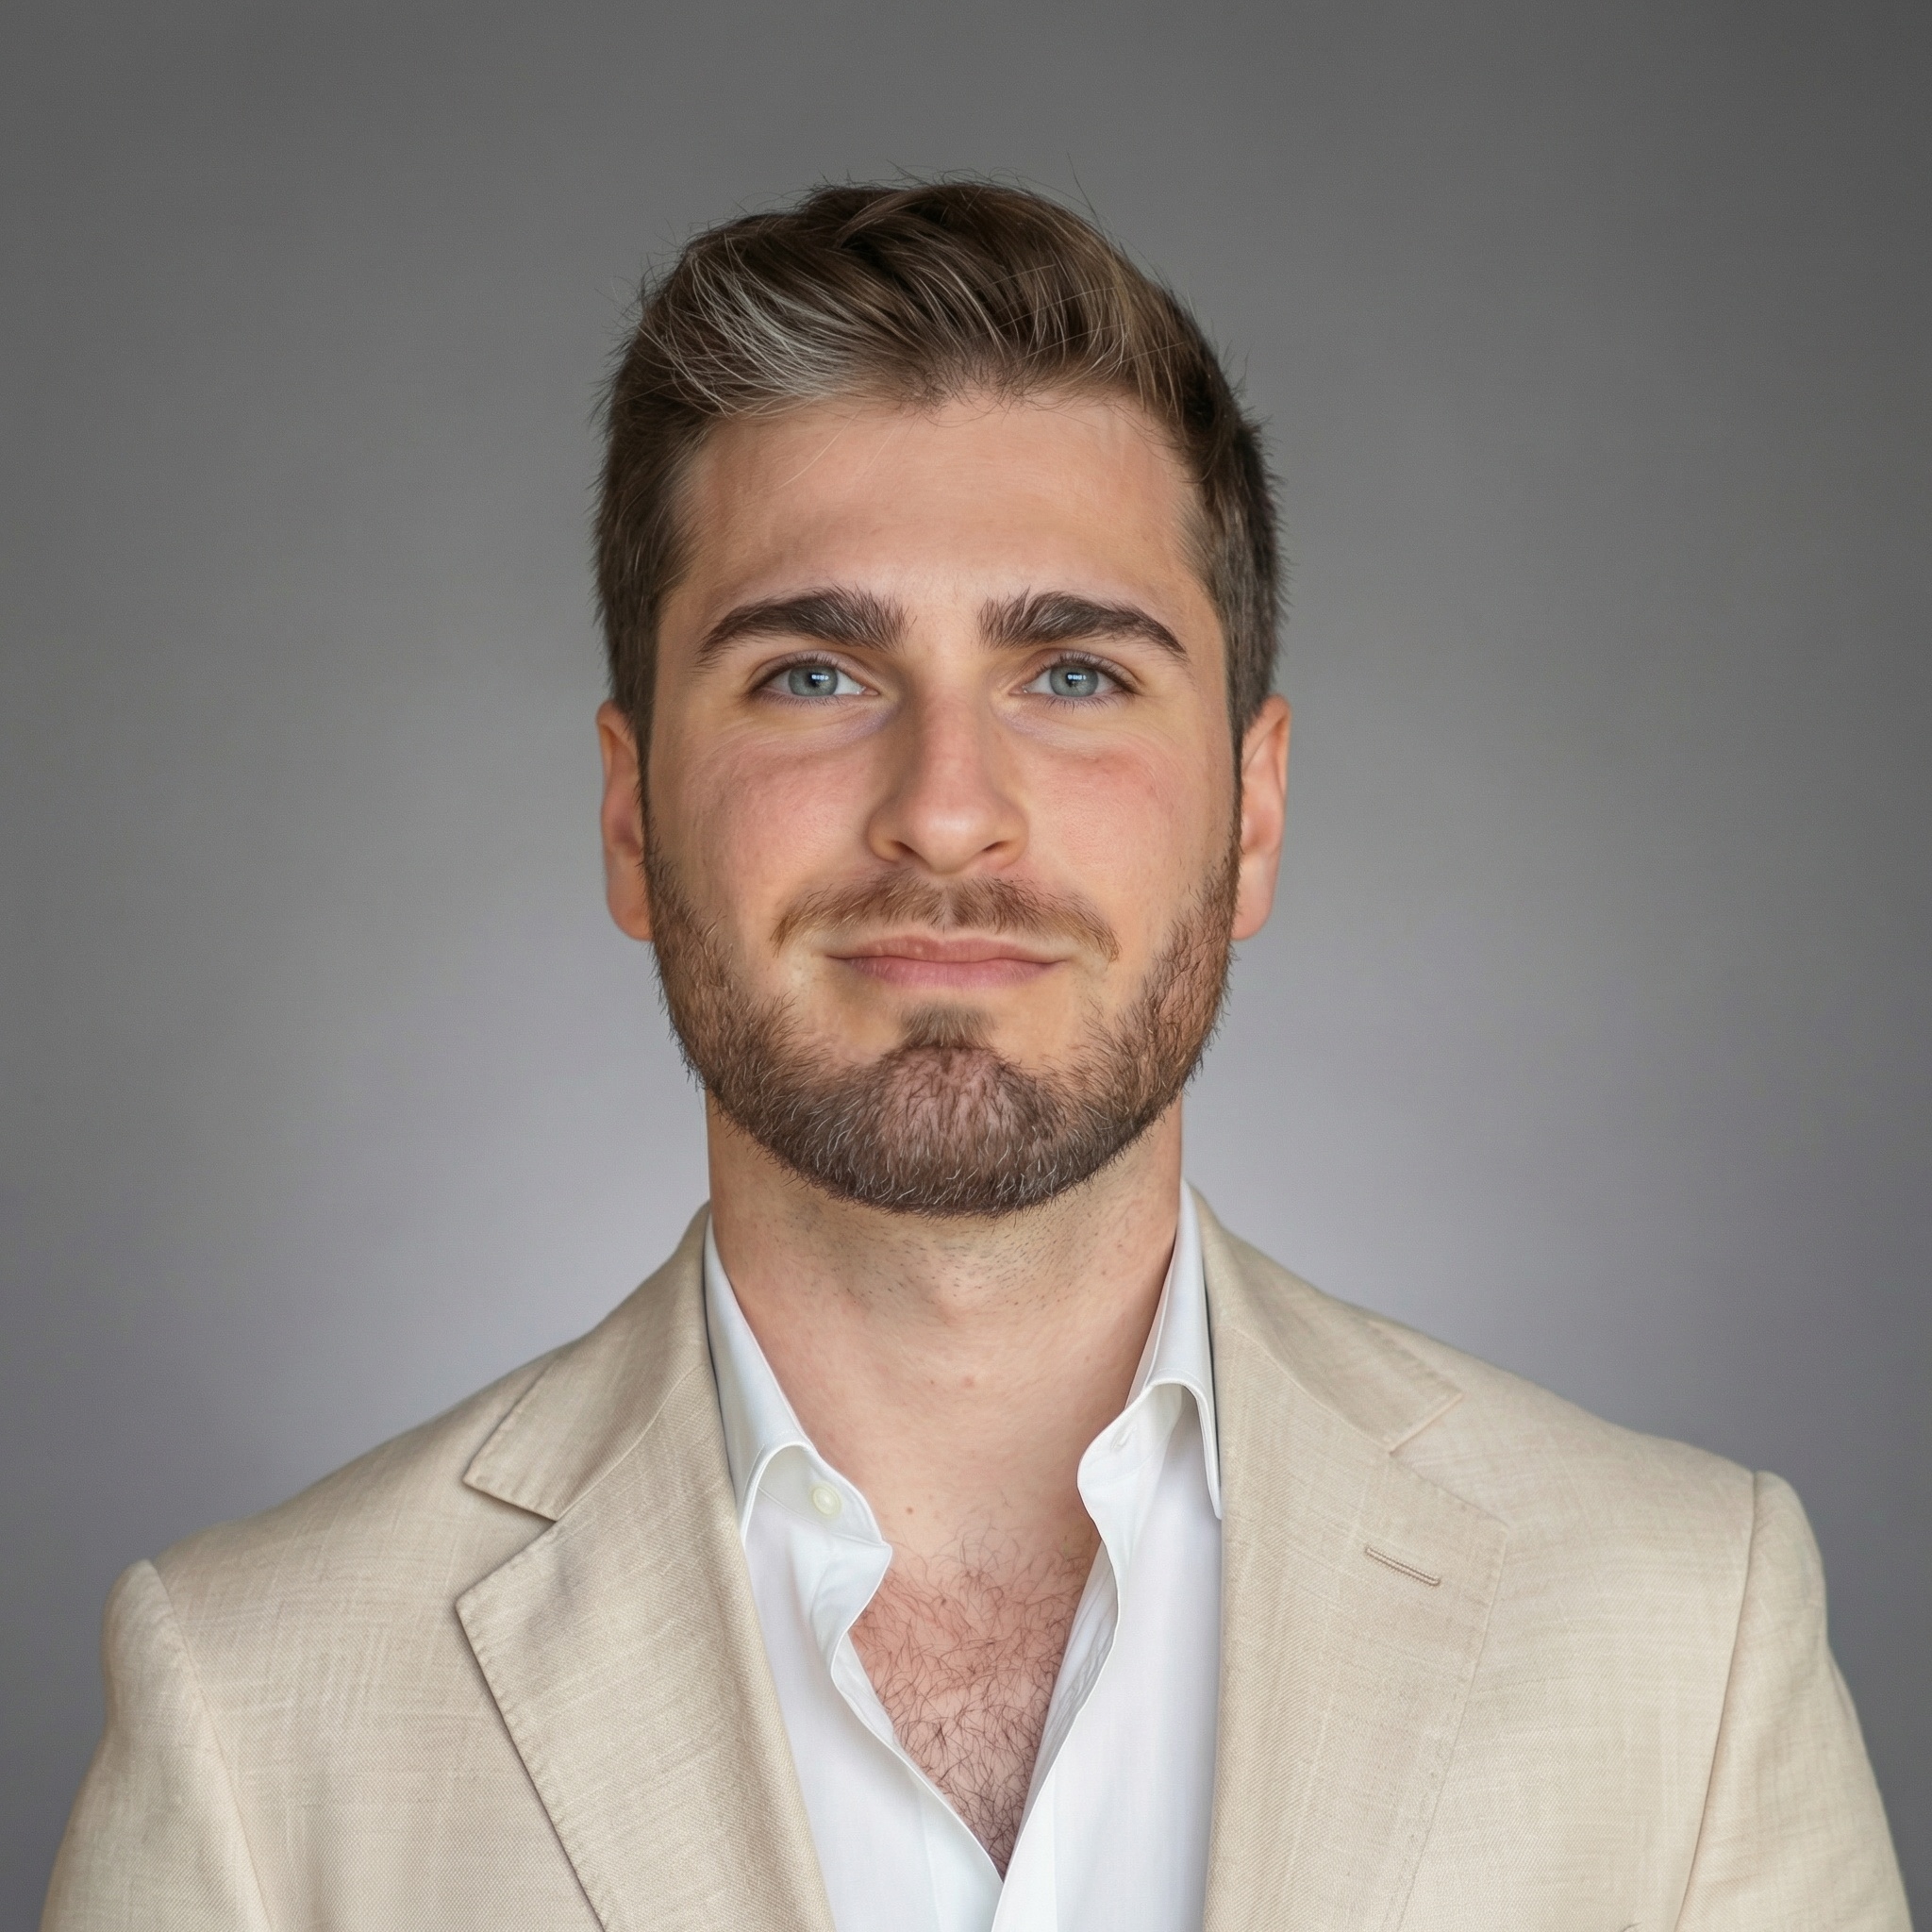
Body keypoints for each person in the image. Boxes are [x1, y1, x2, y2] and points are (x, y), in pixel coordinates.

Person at [42, 180, 1907, 1932]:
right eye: (812, 673)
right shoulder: (251, 1709)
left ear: (1252, 814)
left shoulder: (1685, 1636)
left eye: (1075, 674)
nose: (944, 811)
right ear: (630, 816)